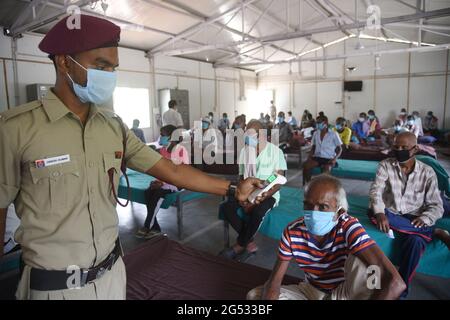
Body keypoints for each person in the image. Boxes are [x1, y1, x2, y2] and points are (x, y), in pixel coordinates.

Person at [0, 14, 262, 300]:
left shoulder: (113, 126)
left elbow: (171, 171)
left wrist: (234, 189)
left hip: (113, 277)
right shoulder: (16, 130)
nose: (109, 75)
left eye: (113, 68)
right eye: (101, 65)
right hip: (54, 288)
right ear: (64, 62)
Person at [247, 175, 406, 300]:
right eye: (308, 205)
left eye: (323, 207)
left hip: (346, 293)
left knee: (369, 267)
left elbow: (395, 282)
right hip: (311, 292)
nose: (314, 213)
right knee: (255, 296)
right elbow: (275, 281)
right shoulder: (292, 232)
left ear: (339, 211)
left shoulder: (348, 227)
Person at [369, 132, 450, 297]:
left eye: (404, 148)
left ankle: (401, 290)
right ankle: (433, 232)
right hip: (389, 213)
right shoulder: (385, 165)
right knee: (374, 211)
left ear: (415, 149)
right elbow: (376, 192)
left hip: (414, 218)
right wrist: (379, 213)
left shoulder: (427, 173)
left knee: (416, 241)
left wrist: (426, 218)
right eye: (396, 147)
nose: (399, 150)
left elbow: (436, 206)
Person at [220, 120, 287, 261]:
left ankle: (239, 245)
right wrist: (242, 197)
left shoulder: (276, 152)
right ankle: (249, 242)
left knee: (257, 212)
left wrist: (262, 197)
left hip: (268, 193)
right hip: (247, 191)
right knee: (226, 207)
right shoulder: (245, 151)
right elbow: (241, 177)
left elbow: (278, 182)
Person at [136, 125, 189, 239]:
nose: (160, 137)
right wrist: (157, 181)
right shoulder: (163, 150)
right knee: (148, 192)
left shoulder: (181, 150)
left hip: (178, 183)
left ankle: (147, 226)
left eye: (162, 135)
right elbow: (161, 171)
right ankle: (155, 228)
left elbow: (182, 173)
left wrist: (163, 184)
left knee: (158, 193)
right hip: (166, 182)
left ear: (170, 137)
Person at [303, 116, 343, 184]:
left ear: (325, 123)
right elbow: (313, 147)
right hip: (318, 157)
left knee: (325, 171)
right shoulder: (316, 133)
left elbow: (340, 149)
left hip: (329, 158)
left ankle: (323, 187)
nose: (317, 124)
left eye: (319, 123)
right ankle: (309, 184)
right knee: (306, 166)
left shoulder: (333, 134)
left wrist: (334, 159)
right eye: (317, 122)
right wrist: (309, 157)